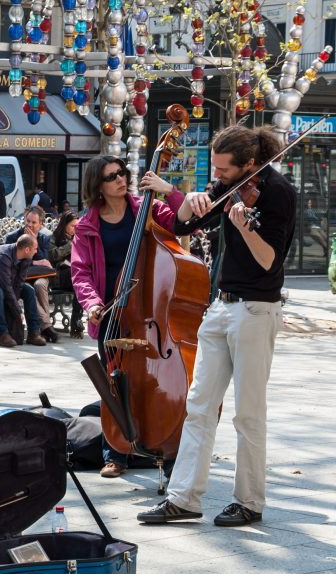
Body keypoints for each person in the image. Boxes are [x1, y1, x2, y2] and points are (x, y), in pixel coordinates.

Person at [137, 126, 296, 527]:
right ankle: (183, 498)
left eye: (225, 170)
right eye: (218, 170)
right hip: (221, 306)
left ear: (250, 163)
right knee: (199, 407)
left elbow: (270, 262)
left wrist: (245, 228)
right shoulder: (229, 182)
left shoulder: (276, 192)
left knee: (248, 413)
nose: (218, 176)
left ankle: (249, 501)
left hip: (257, 310)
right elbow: (182, 228)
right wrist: (189, 206)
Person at [70, 156, 183, 478]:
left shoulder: (147, 209)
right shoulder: (88, 224)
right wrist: (91, 303)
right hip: (113, 314)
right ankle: (115, 452)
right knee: (114, 385)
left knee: (158, 382)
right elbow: (81, 272)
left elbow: (185, 221)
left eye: (122, 173)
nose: (121, 179)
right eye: (111, 176)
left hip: (151, 312)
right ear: (98, 186)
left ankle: (166, 448)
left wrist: (168, 191)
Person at [0, 235, 47, 347]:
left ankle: (34, 333)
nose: (36, 251)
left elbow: (19, 283)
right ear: (27, 249)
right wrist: (18, 311)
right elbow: (6, 287)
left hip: (5, 281)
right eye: (35, 248)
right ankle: (3, 333)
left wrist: (14, 309)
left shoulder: (26, 257)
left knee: (29, 291)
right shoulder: (2, 256)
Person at [5, 206, 59, 343]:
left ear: (41, 224)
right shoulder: (13, 237)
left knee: (40, 285)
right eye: (28, 221)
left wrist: (34, 241)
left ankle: (43, 327)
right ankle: (46, 326)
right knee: (28, 290)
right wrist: (35, 262)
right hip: (19, 276)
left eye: (34, 223)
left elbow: (44, 260)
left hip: (39, 276)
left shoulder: (44, 239)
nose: (29, 225)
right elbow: (13, 262)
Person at [48, 211, 85, 338]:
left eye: (77, 226)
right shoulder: (55, 237)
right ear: (64, 225)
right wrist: (70, 245)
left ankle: (77, 321)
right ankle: (76, 323)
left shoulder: (80, 238)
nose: (75, 229)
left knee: (81, 283)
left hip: (74, 276)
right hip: (58, 277)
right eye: (72, 226)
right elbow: (52, 255)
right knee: (78, 279)